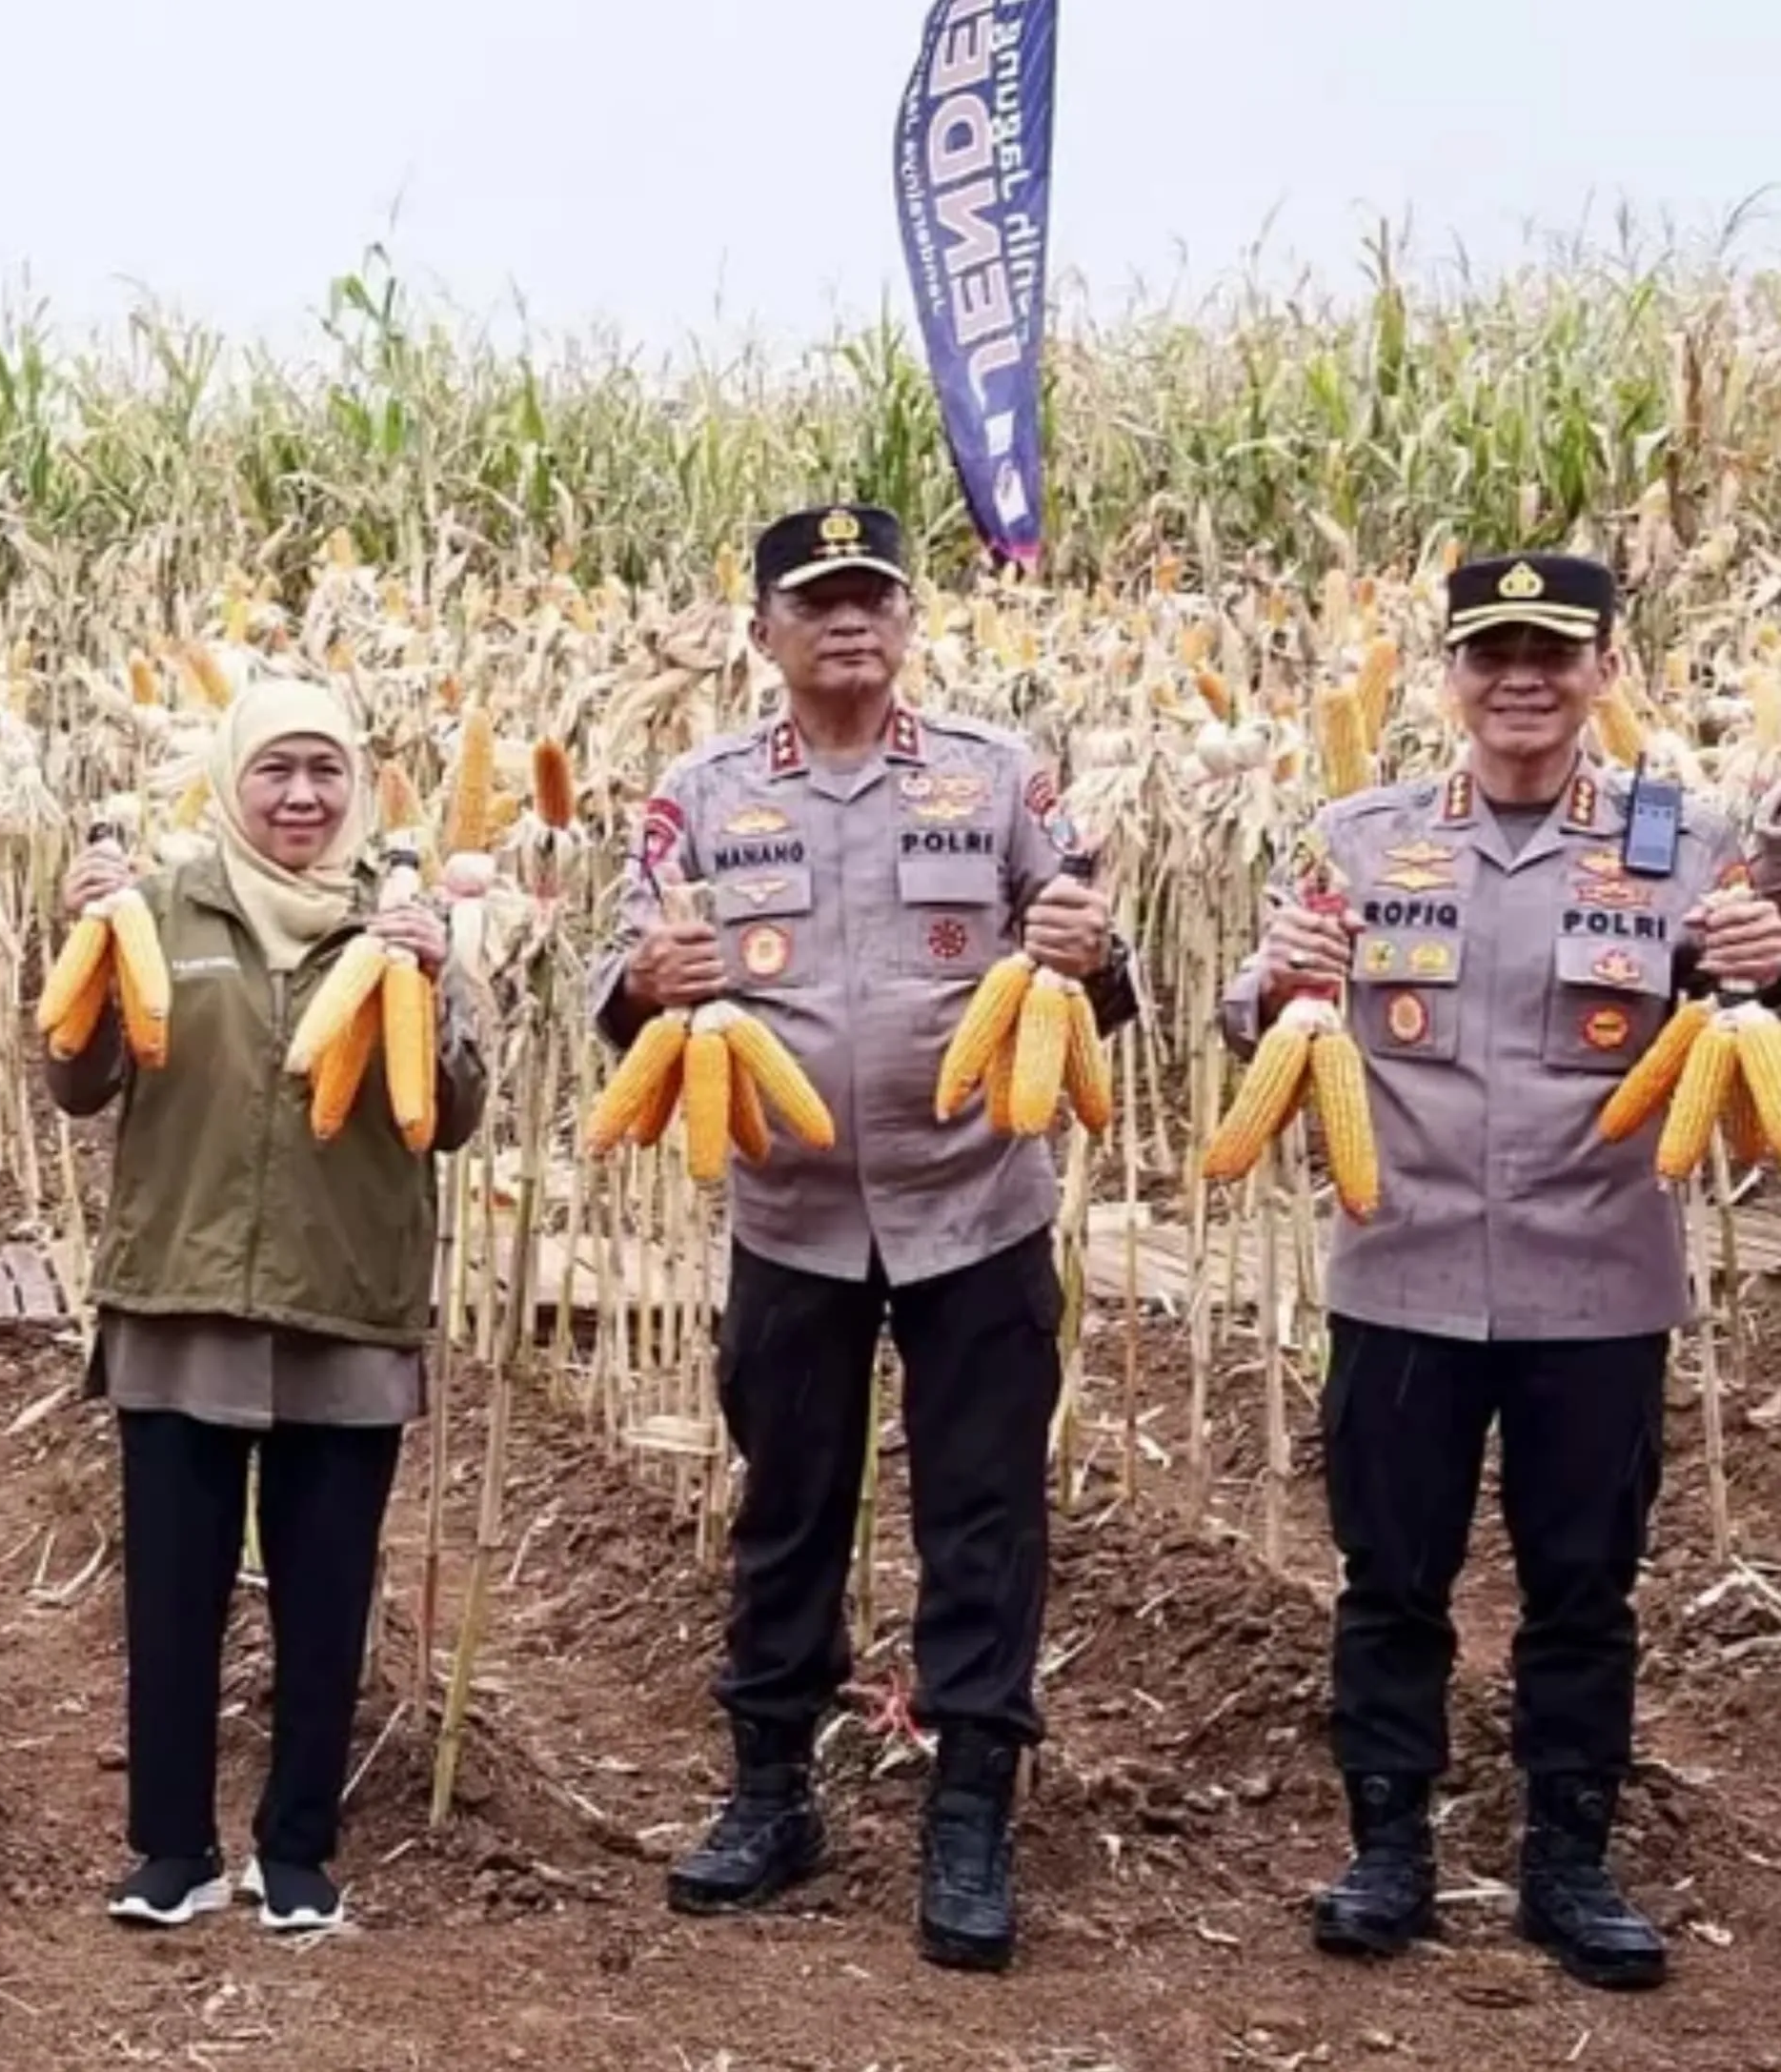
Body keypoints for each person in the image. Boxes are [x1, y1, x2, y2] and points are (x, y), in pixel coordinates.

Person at [1221, 552, 1781, 1991]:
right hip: (1399, 1272)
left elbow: (1743, 1018)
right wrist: (1269, 974)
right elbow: (1262, 1013)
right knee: (1389, 1579)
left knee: (1583, 1586)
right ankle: (1389, 1847)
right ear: (1452, 674)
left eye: (1552, 651)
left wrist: (1768, 965)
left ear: (1603, 666)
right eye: (1491, 653)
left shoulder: (1687, 841)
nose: (1521, 678)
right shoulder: (1361, 835)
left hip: (1597, 1281)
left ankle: (1569, 1861)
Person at [589, 504, 1134, 1971]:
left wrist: (1093, 949)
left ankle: (970, 1810)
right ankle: (773, 1788)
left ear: (908, 620)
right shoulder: (694, 796)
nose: (850, 621)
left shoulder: (1002, 776)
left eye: (874, 597)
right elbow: (625, 975)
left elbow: (1097, 967)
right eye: (817, 599)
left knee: (984, 1512)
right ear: (763, 627)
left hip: (979, 1207)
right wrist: (646, 980)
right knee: (788, 1504)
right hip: (791, 1213)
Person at [46, 674, 490, 1936]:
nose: (300, 795)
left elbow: (451, 1115)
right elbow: (76, 1080)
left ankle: (298, 1849)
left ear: (357, 789)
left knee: (325, 1591)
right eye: (274, 771)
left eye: (325, 772)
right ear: (231, 784)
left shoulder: (393, 922)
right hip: (180, 1292)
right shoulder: (161, 907)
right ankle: (170, 1849)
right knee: (174, 1594)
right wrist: (76, 934)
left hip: (347, 1297)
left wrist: (447, 980)